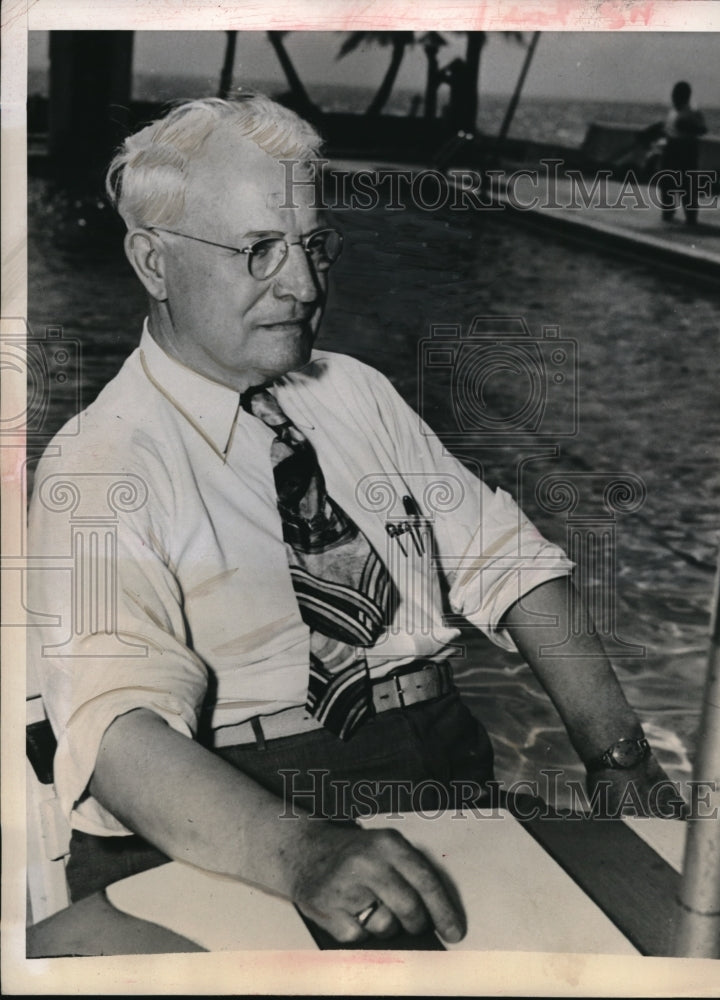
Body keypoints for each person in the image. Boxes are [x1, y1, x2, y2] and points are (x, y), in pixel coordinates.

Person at [28, 94, 678, 947]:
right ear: (152, 261)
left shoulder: (352, 391)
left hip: (446, 772)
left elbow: (509, 567)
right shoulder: (102, 463)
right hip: (241, 819)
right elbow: (118, 734)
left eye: (311, 244)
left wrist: (619, 760)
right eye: (259, 251)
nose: (301, 286)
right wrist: (304, 853)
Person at [657, 80, 708, 225]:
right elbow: (668, 128)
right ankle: (668, 212)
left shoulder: (694, 111)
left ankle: (691, 216)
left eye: (678, 94)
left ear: (685, 96)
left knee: (687, 184)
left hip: (687, 148)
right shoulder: (672, 111)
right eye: (674, 94)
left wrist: (687, 127)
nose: (674, 97)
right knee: (667, 181)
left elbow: (703, 130)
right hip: (671, 147)